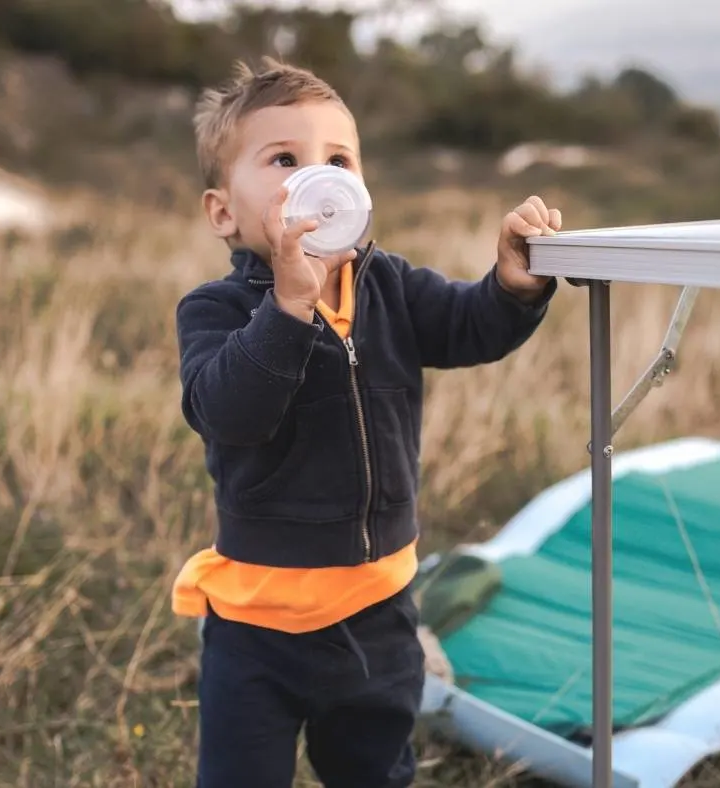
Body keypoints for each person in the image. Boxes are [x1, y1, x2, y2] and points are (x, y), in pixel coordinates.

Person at [171, 55, 562, 788]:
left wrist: (512, 286)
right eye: (284, 157)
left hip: (379, 610)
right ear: (223, 211)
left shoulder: (390, 284)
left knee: (375, 771)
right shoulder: (214, 311)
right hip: (259, 626)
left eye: (339, 159)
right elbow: (229, 413)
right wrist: (286, 308)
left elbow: (468, 329)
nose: (318, 177)